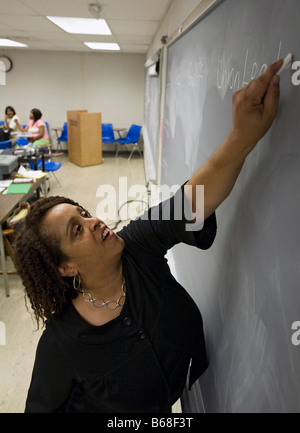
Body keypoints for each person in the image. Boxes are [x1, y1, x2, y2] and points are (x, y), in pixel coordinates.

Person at [13, 60, 283, 413]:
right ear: (65, 267)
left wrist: (243, 135)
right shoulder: (62, 345)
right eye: (77, 229)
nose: (93, 221)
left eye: (83, 212)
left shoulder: (135, 246)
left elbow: (192, 200)